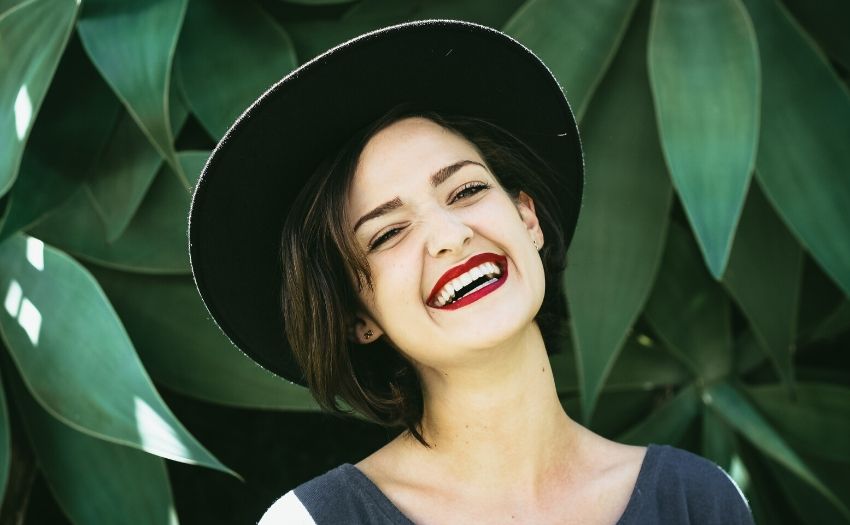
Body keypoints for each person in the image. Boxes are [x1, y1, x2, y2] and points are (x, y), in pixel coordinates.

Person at [188, 20, 754, 525]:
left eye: (466, 190)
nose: (451, 234)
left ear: (527, 218)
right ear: (356, 315)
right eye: (387, 233)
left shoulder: (698, 501)